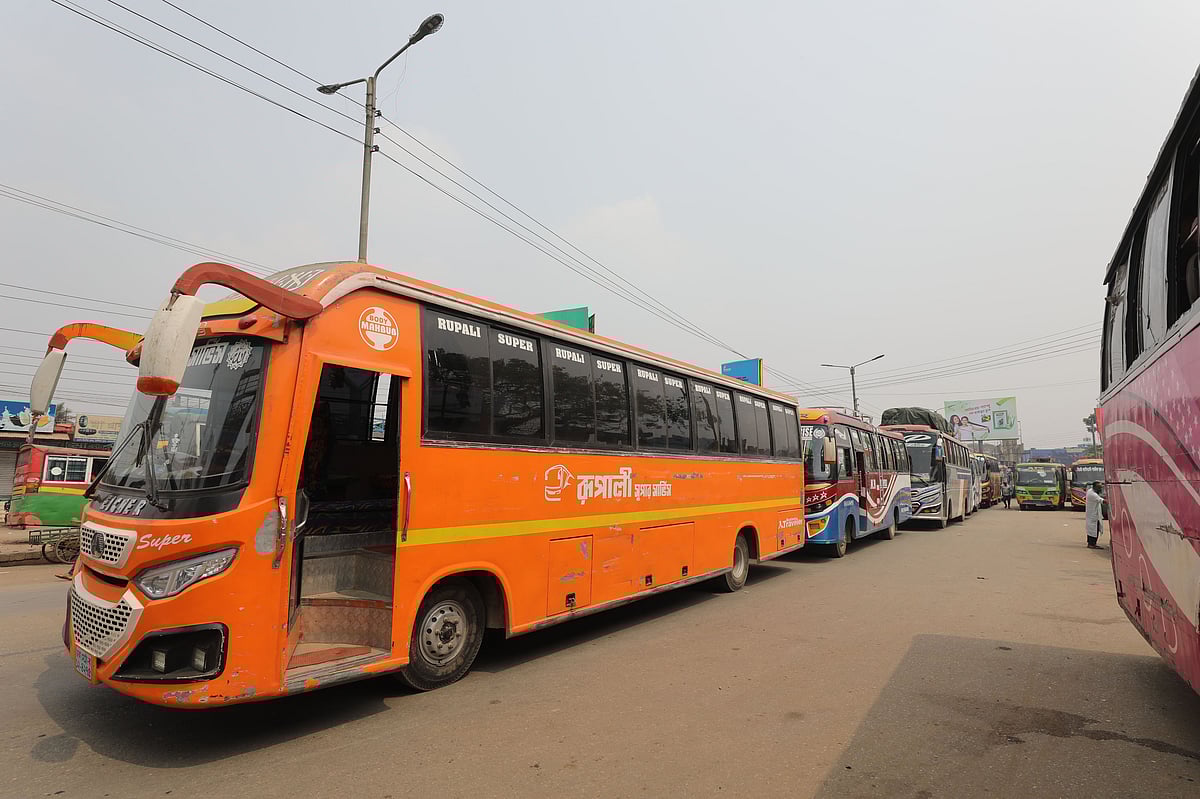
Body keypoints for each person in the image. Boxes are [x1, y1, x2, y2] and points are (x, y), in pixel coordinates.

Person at [1085, 481, 1105, 548]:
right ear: (1095, 487)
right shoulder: (1093, 494)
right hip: (1093, 515)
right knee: (1094, 530)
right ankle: (1092, 544)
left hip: (1093, 514)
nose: (1100, 489)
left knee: (1092, 530)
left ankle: (1092, 543)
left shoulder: (1090, 491)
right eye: (1099, 488)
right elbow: (1102, 501)